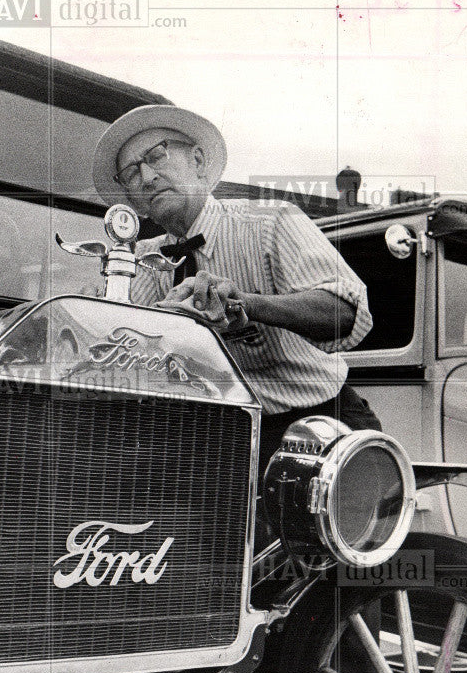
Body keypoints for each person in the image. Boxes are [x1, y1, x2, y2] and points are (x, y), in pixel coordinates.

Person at [93, 105, 381, 473]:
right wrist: (159, 324)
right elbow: (121, 363)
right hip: (218, 437)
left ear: (198, 160)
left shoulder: (271, 220)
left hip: (318, 425)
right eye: (131, 173)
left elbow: (346, 313)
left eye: (156, 156)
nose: (147, 177)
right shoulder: (137, 260)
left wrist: (247, 303)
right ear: (131, 201)